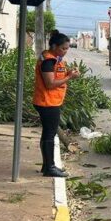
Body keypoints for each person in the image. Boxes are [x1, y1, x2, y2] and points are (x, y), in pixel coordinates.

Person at [33, 30, 81, 178]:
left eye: (67, 48)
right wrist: (70, 77)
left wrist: (68, 74)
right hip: (47, 102)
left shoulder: (54, 58)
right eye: (63, 48)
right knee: (49, 134)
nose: (65, 51)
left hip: (50, 101)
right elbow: (50, 84)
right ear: (54, 46)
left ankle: (47, 166)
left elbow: (57, 77)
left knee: (48, 133)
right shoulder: (49, 61)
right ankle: (50, 168)